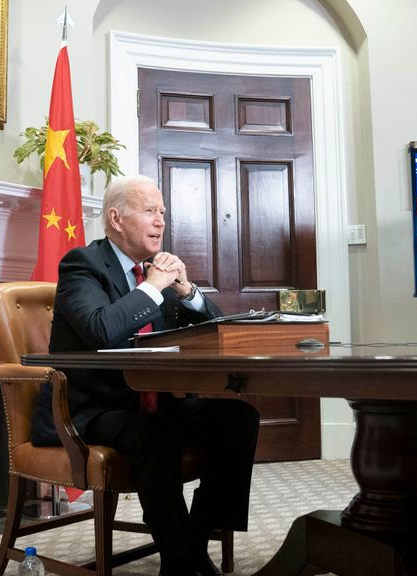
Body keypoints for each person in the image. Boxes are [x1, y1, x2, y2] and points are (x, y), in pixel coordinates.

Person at [30, 175, 259, 576]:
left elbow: (218, 333)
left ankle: (193, 543)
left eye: (163, 213)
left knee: (239, 418)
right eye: (150, 211)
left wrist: (188, 293)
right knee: (154, 433)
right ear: (117, 218)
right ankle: (182, 561)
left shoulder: (155, 273)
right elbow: (101, 329)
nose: (161, 222)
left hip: (155, 401)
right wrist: (153, 286)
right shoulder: (82, 265)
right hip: (93, 408)